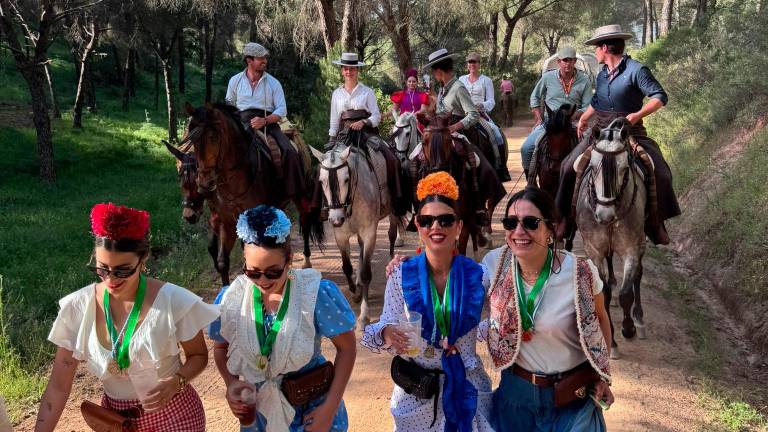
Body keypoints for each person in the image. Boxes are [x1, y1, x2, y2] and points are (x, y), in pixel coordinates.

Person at [35, 203, 219, 431]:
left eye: (122, 270)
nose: (111, 279)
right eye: (102, 269)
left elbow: (198, 355)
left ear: (143, 260)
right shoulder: (78, 307)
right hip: (116, 422)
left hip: (176, 417)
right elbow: (58, 387)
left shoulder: (173, 301)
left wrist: (176, 382)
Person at [362, 172, 494, 431]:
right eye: (427, 220)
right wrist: (388, 332)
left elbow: (500, 319)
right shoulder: (401, 275)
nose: (436, 227)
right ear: (418, 226)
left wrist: (487, 329)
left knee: (481, 153)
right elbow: (384, 322)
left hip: (468, 388)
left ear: (458, 227)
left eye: (445, 220)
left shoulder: (480, 277)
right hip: (418, 391)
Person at [212, 205, 356, 431]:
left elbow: (347, 349)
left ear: (289, 259)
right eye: (253, 272)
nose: (263, 281)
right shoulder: (231, 299)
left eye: (273, 272)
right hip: (260, 414)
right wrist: (231, 383)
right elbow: (221, 349)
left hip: (312, 411)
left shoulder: (313, 294)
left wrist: (329, 408)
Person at [481, 187, 613, 431]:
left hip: (572, 398)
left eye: (531, 223)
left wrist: (602, 374)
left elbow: (602, 318)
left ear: (551, 229)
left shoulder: (580, 272)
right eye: (511, 223)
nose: (519, 232)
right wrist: (413, 265)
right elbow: (451, 280)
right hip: (515, 397)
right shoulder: (493, 265)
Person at [556, 25, 680, 245]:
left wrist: (638, 115)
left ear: (604, 48)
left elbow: (659, 97)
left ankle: (655, 222)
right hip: (600, 131)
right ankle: (566, 218)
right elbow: (598, 102)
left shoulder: (637, 70)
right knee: (567, 166)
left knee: (659, 170)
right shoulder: (602, 74)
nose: (595, 52)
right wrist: (585, 118)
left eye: (596, 48)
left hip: (630, 131)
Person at [326, 51, 406, 216]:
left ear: (357, 70)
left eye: (352, 69)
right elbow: (334, 120)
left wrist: (364, 122)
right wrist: (332, 139)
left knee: (392, 159)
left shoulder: (367, 92)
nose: (349, 72)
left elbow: (376, 116)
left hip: (367, 134)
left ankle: (396, 202)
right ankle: (323, 206)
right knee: (326, 166)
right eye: (345, 69)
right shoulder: (336, 94)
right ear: (342, 71)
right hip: (344, 135)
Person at [226, 42, 306, 200]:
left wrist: (264, 120)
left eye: (265, 58)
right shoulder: (234, 81)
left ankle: (296, 195)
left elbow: (282, 110)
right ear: (249, 61)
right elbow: (229, 106)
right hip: (241, 123)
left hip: (268, 123)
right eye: (260, 58)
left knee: (290, 152)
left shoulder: (273, 83)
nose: (265, 61)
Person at [521, 46, 593, 177]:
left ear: (575, 61)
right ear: (559, 62)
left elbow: (588, 105)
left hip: (574, 123)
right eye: (564, 60)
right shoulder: (548, 77)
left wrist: (575, 115)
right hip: (550, 122)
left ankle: (587, 182)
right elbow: (534, 97)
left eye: (570, 60)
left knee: (592, 148)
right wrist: (538, 117)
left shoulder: (584, 80)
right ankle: (530, 180)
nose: (567, 63)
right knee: (526, 148)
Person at [459, 52, 510, 181]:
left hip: (479, 114)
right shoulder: (461, 80)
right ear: (467, 65)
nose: (472, 64)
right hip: (461, 114)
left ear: (479, 64)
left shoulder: (486, 80)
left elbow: (491, 101)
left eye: (474, 62)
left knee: (497, 134)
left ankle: (500, 167)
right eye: (470, 62)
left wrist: (480, 105)